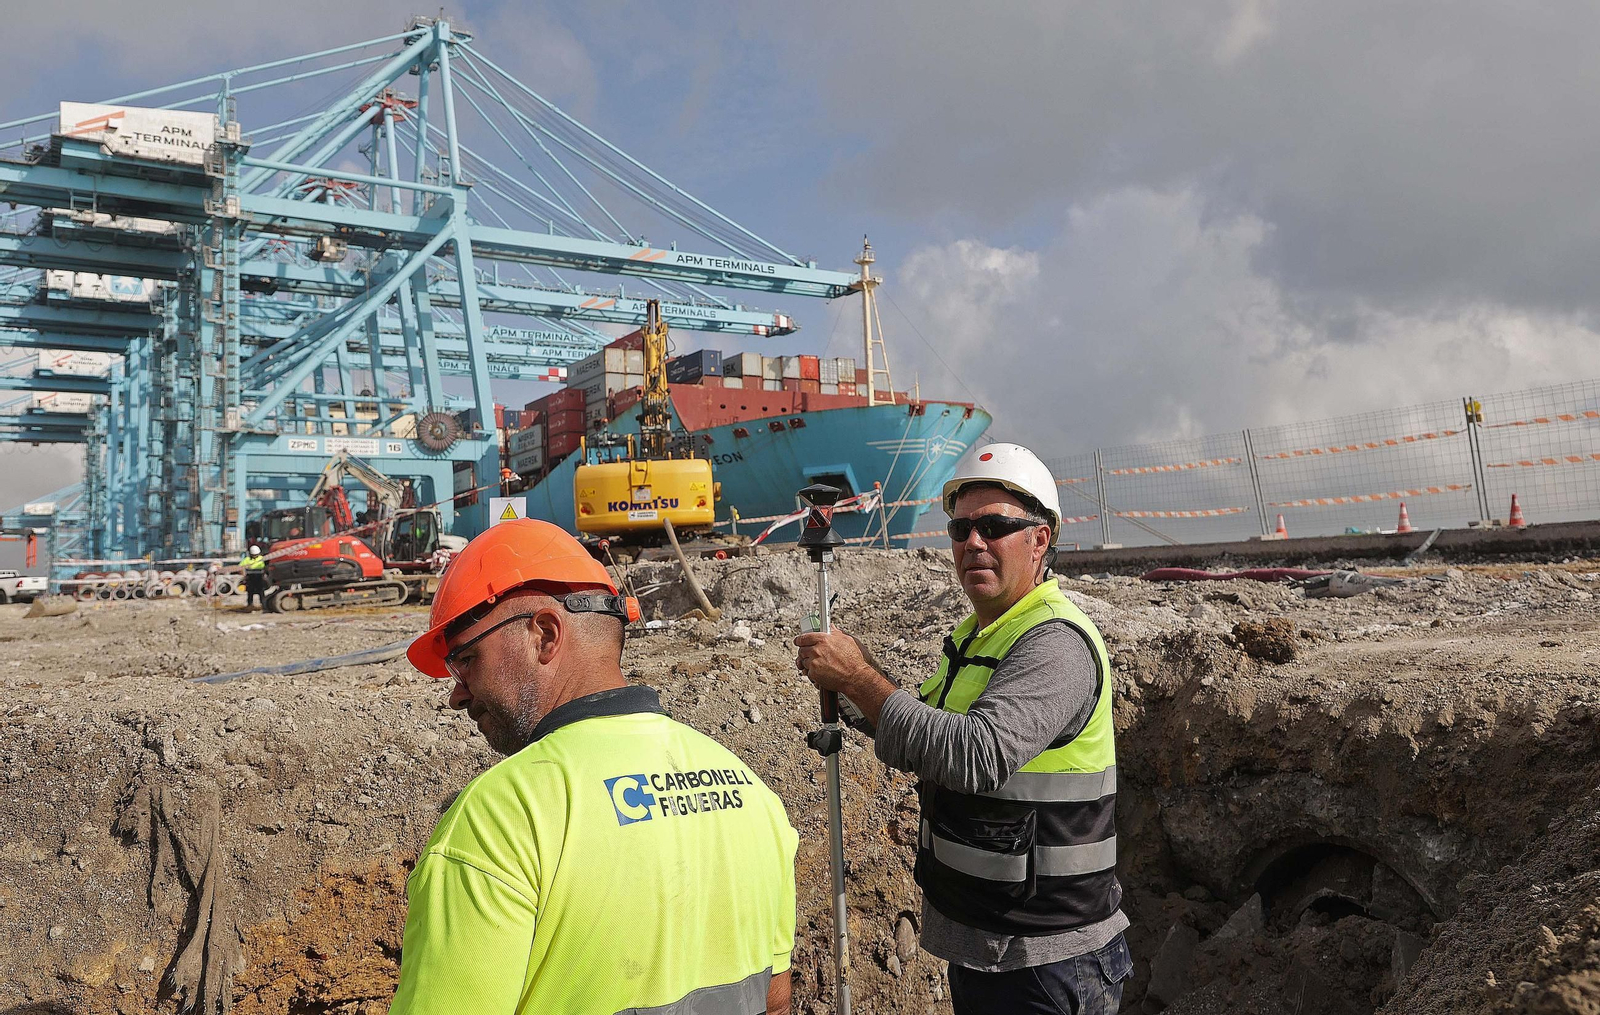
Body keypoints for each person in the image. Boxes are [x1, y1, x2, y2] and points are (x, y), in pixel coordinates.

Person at [392, 519, 799, 1015]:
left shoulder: (498, 819)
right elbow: (776, 1001)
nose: (456, 695)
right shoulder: (748, 790)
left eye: (466, 660)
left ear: (544, 635)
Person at [795, 443, 1130, 1014]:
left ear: (1040, 539)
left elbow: (973, 754)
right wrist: (852, 680)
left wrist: (857, 677)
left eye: (993, 527)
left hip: (1048, 959)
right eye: (960, 528)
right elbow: (921, 726)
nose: (973, 541)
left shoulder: (1055, 643)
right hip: (987, 946)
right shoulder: (977, 637)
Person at [239, 545, 267, 611]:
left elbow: (267, 566)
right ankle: (250, 605)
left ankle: (263, 605)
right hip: (250, 577)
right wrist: (243, 574)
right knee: (250, 591)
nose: (255, 556)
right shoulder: (247, 559)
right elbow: (240, 567)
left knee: (261, 591)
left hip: (259, 577)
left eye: (256, 555)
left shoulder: (262, 558)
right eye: (254, 555)